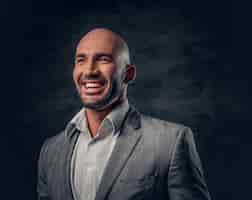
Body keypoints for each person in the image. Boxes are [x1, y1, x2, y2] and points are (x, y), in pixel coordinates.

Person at [37, 28, 211, 200]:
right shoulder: (50, 151)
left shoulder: (171, 143)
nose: (89, 71)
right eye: (81, 60)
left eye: (103, 59)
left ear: (129, 74)